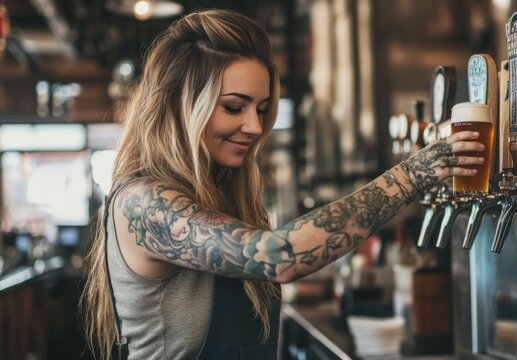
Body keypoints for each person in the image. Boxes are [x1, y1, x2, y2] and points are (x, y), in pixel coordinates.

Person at [80, 8, 485, 360]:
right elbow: (279, 256)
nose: (255, 127)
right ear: (181, 104)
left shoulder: (216, 194)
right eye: (233, 107)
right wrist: (412, 174)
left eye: (262, 109)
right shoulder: (142, 203)